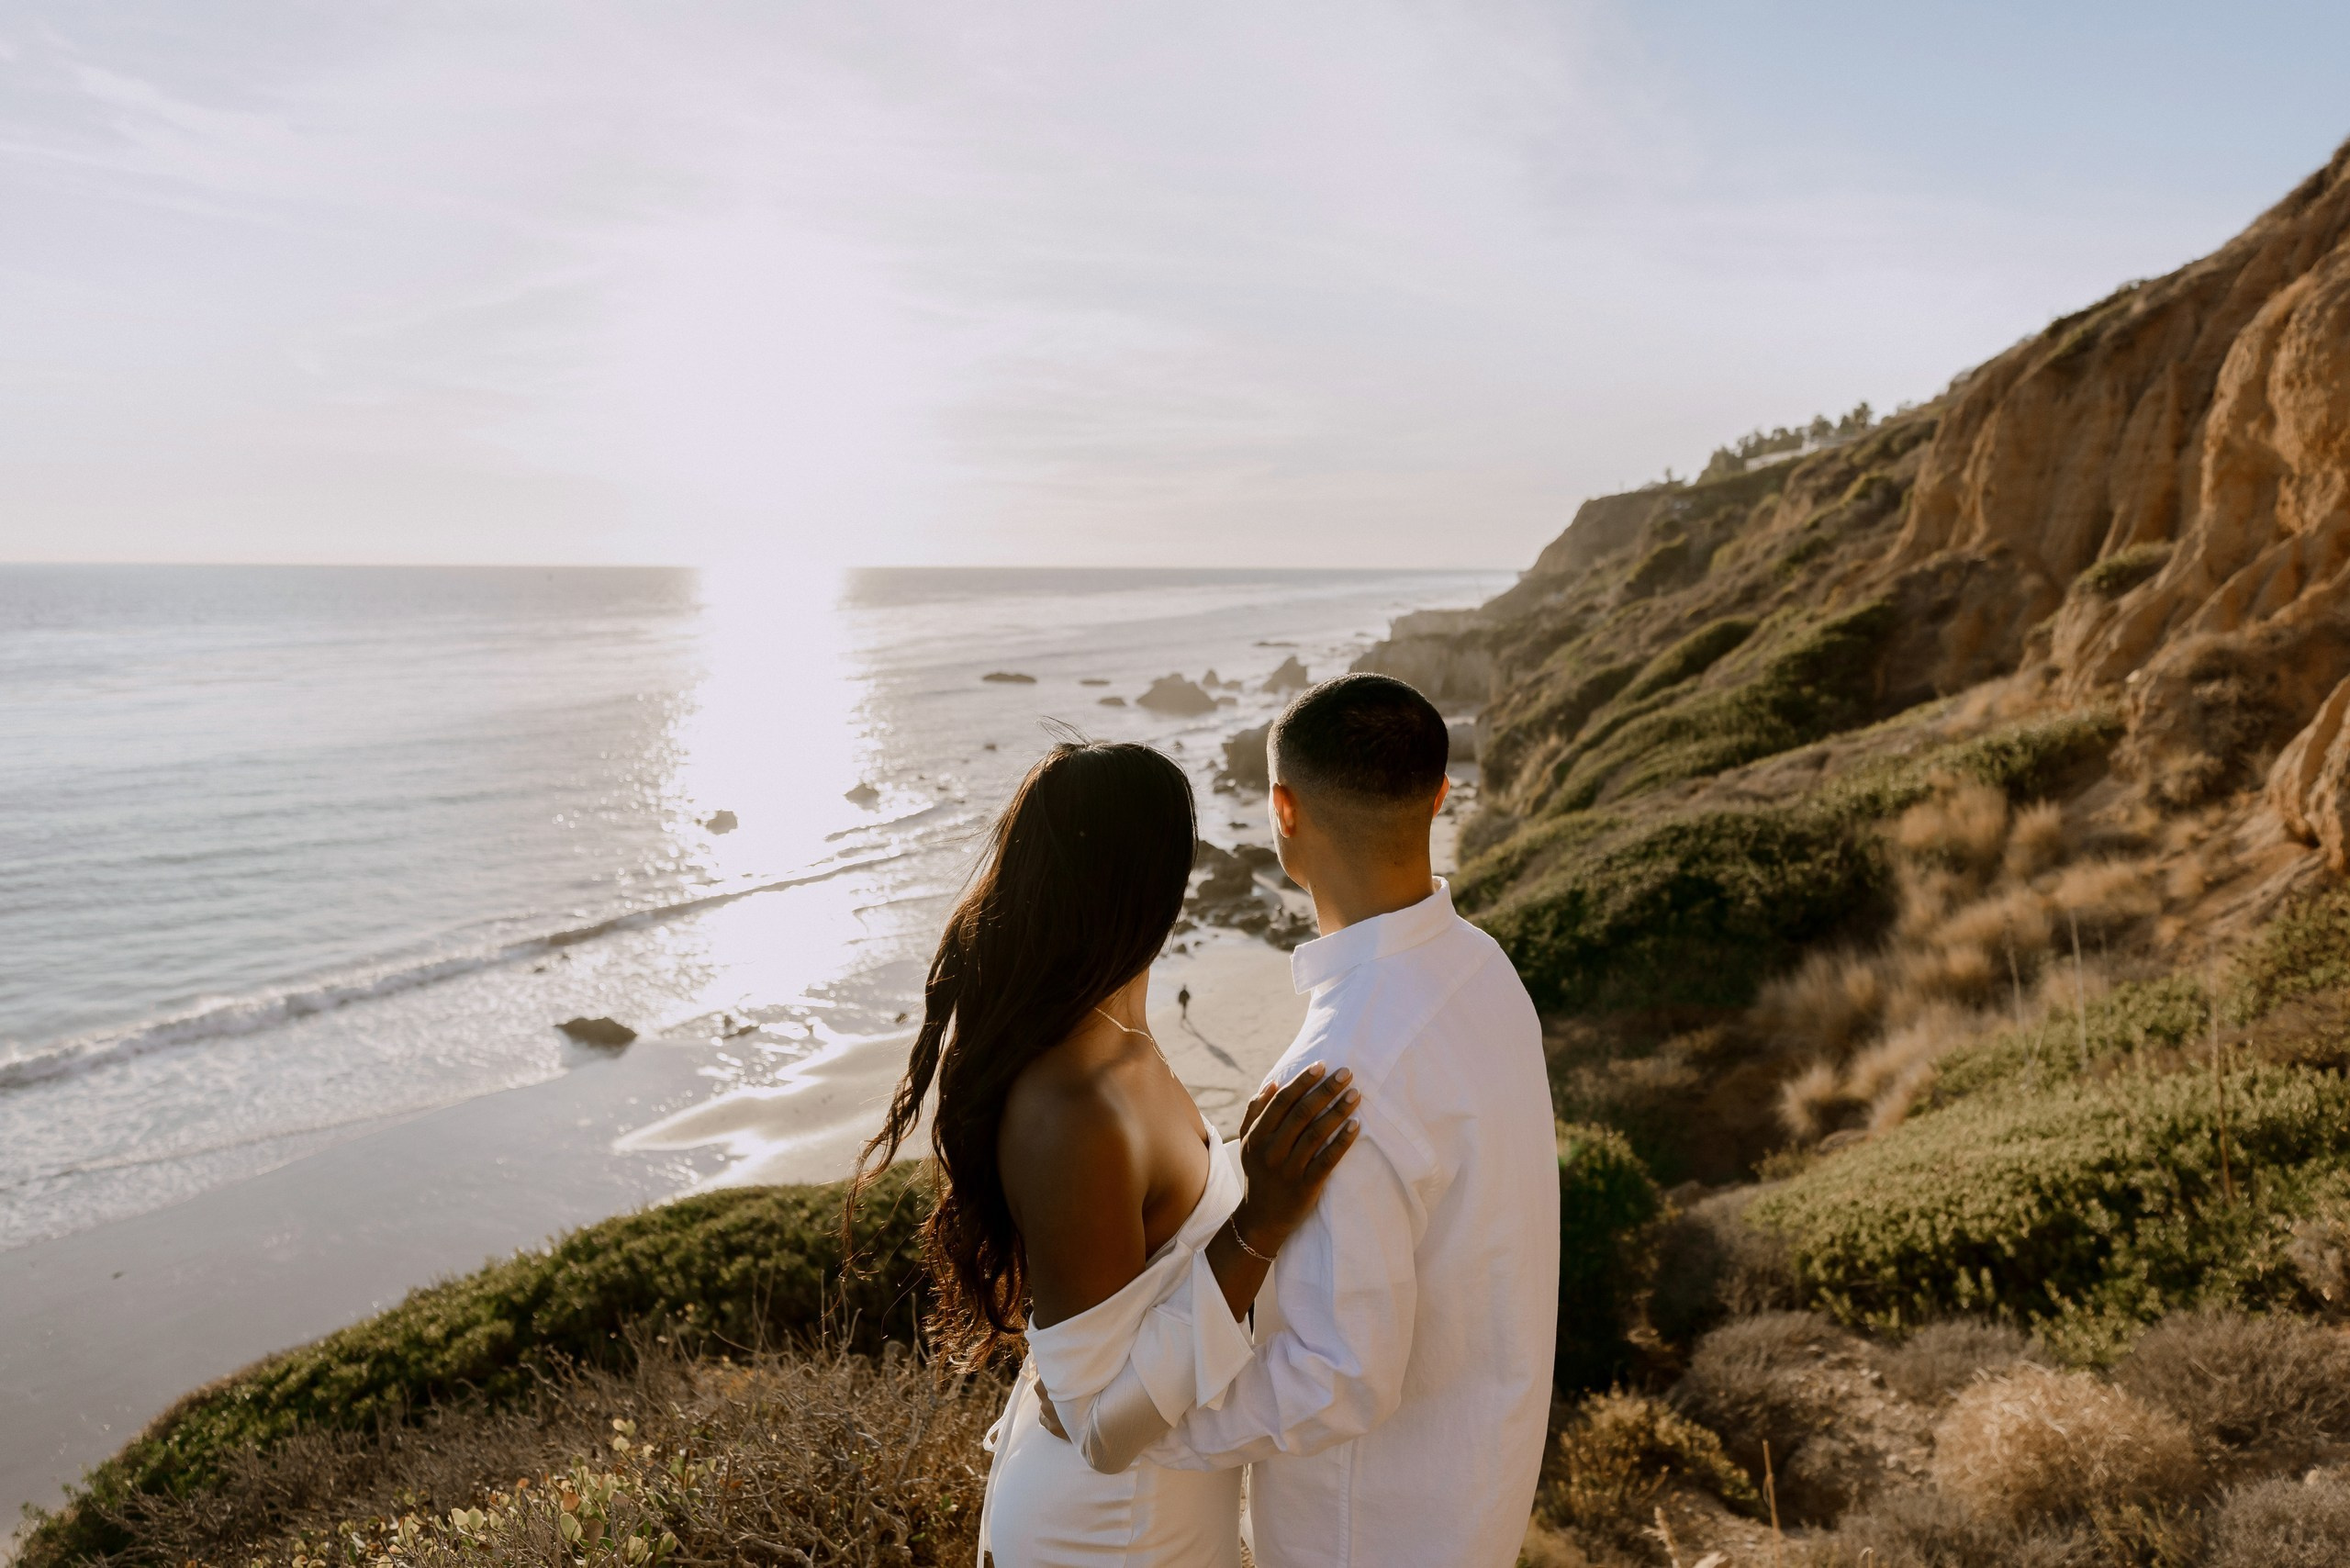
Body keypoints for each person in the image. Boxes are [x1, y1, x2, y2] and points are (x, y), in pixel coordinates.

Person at [1046, 674, 1559, 1568]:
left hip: (1370, 1536)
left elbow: (1336, 1380)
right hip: (1477, 1493)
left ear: (1281, 811)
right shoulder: (1484, 969)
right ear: (1440, 795)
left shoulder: (1337, 1075)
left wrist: (1150, 1428)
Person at [847, 738, 1363, 1568]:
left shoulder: (1122, 1036)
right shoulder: (1074, 1105)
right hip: (1107, 1533)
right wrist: (1259, 1222)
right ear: (1152, 887)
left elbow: (1151, 1256)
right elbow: (1098, 1425)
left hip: (1158, 1511)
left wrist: (1244, 1162)